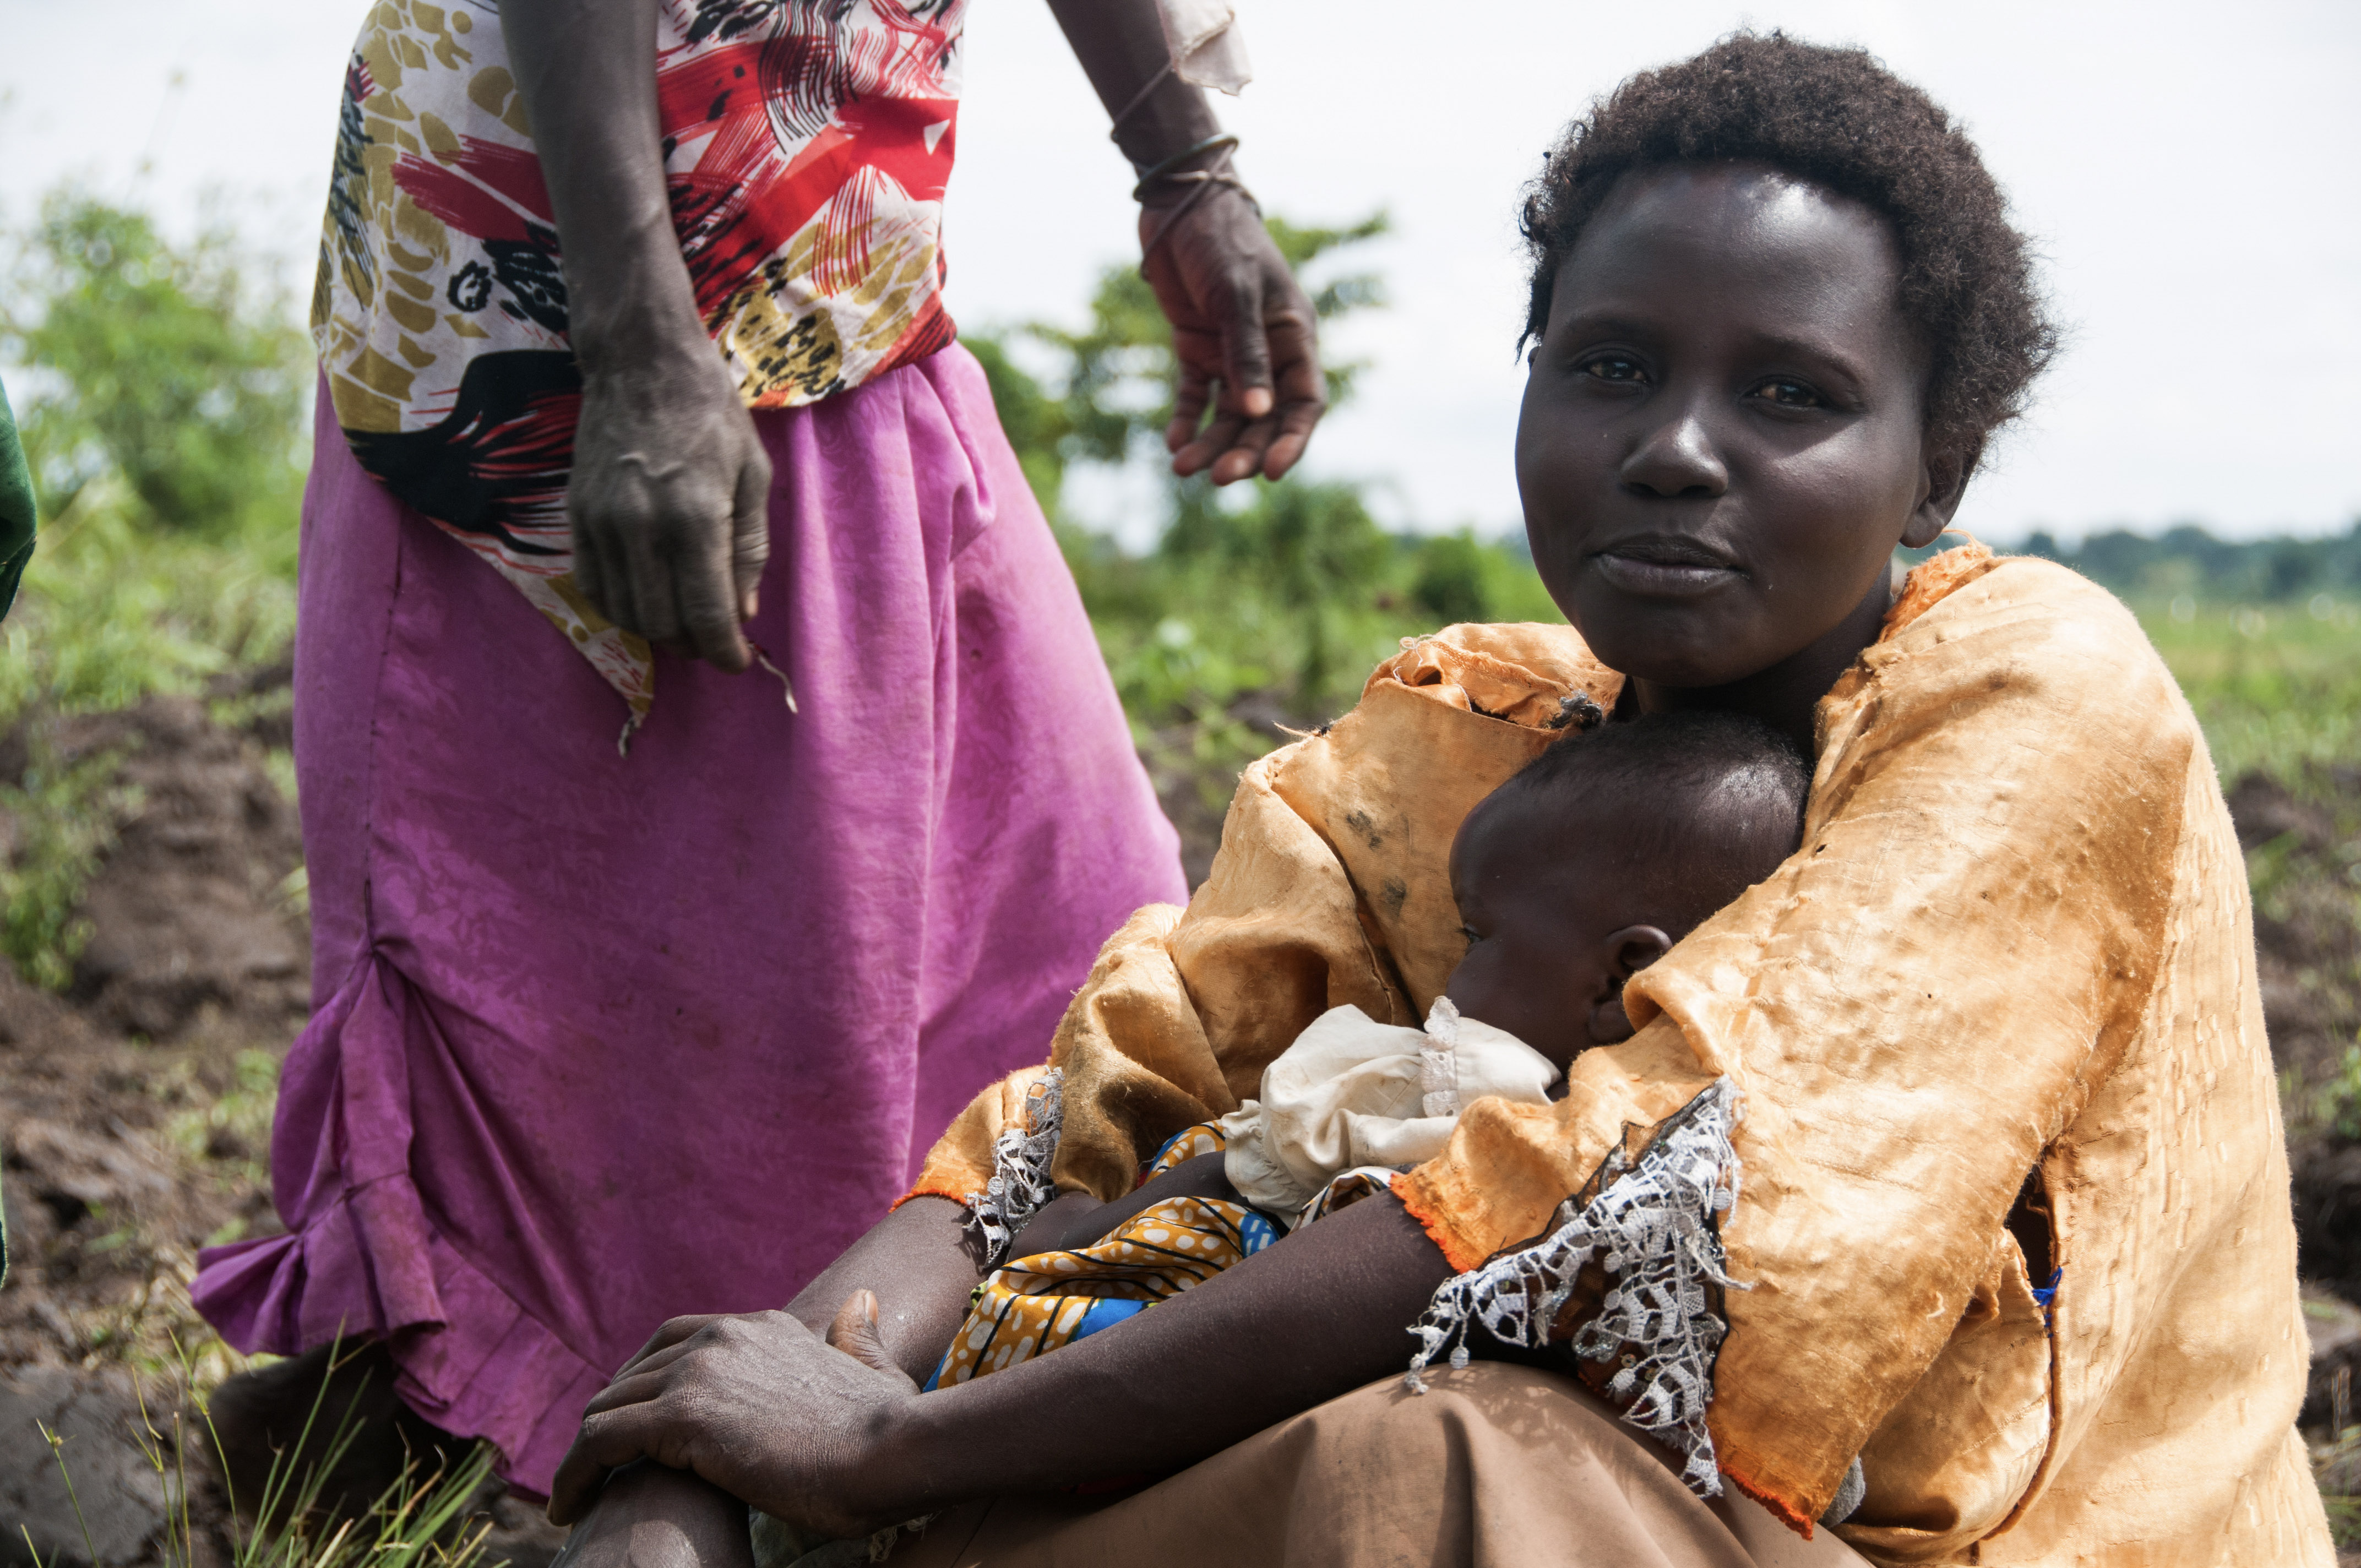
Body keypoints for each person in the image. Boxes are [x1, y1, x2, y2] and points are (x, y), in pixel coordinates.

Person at [538, 34, 2333, 1568]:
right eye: (1609, 363)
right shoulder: (1463, 723)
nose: (1672, 445)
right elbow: (1099, 1110)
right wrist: (711, 1451)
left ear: (1929, 462)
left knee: (1424, 1465)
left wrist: (871, 1454)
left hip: (1934, 1534)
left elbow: (1613, 1210)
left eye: (1788, 394)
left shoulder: (2029, 690)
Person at [193, 0, 1328, 1505]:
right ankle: (496, 1472)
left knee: (1062, 943)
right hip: (553, 310)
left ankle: (808, 1444)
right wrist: (642, 341)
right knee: (549, 1017)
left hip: (846, 265)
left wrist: (1189, 164)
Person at [926, 709, 1811, 1396]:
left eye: (1478, 937)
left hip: (1211, 1332)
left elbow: (1258, 1160)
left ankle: (930, 1419)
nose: (1453, 976)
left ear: (1621, 978)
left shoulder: (1468, 1081)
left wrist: (1083, 1226)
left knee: (1028, 1326)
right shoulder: (1684, 1166)